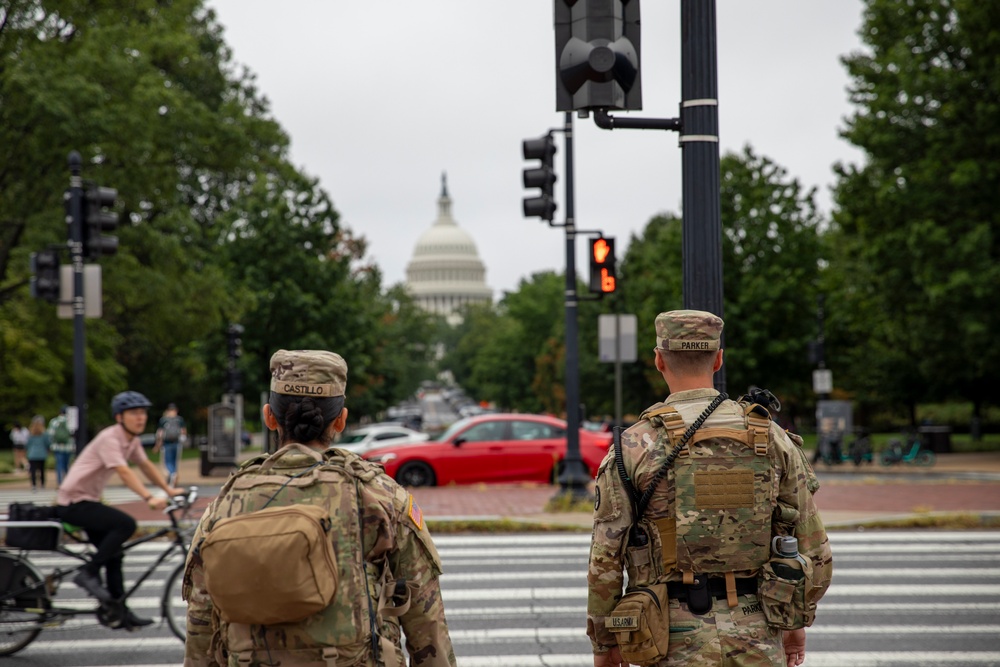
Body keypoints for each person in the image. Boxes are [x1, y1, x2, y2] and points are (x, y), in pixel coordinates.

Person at [587, 310, 833, 667]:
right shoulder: (772, 438)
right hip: (758, 632)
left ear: (659, 360)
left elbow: (604, 561)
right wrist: (795, 619)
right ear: (719, 359)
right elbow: (815, 549)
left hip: (669, 638)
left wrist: (605, 642)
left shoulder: (634, 446)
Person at [184, 349, 456, 667]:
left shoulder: (226, 503)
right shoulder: (380, 495)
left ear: (269, 416)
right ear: (340, 421)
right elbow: (426, 619)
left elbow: (201, 618)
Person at [56, 390, 185, 629]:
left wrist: (168, 490)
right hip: (73, 503)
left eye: (143, 412)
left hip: (87, 501)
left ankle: (119, 612)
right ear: (119, 417)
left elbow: (145, 465)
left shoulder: (131, 440)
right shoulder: (110, 439)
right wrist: (148, 497)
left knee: (114, 554)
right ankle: (89, 572)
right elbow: (124, 472)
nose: (141, 418)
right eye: (134, 413)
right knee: (125, 524)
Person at [154, 402, 186, 487]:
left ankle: (171, 474)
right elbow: (183, 431)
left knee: (167, 461)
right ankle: (174, 474)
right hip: (176, 442)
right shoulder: (179, 420)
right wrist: (183, 439)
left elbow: (160, 433)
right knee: (175, 460)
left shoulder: (164, 420)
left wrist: (158, 444)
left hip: (167, 443)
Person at [47, 406, 76, 485]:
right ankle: (68, 482)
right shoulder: (70, 422)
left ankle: (60, 482)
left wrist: (51, 445)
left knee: (59, 464)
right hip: (68, 447)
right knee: (67, 465)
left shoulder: (54, 421)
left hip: (57, 446)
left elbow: (50, 434)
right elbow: (73, 435)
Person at [25, 415, 51, 490]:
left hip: (32, 454)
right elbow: (47, 444)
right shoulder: (44, 434)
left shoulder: (30, 434)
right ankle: (42, 484)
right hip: (42, 454)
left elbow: (27, 444)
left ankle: (34, 485)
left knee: (33, 471)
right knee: (42, 470)